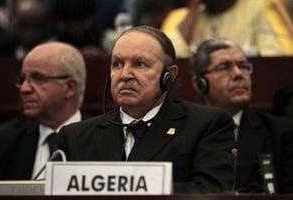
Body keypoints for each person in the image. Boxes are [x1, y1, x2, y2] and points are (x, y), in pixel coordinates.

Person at [57, 26, 235, 194]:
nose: (125, 75)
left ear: (169, 76)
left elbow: (211, 192)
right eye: (117, 64)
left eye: (140, 64)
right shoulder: (76, 137)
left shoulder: (205, 125)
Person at [189, 37, 293, 193]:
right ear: (200, 84)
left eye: (243, 66)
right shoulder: (184, 133)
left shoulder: (282, 132)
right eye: (225, 67)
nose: (238, 74)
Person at [0, 41, 90, 180]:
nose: (24, 89)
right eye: (22, 80)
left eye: (38, 78)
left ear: (70, 87)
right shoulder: (1, 143)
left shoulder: (106, 141)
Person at [161, 0, 293, 58]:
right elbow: (167, 60)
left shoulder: (256, 7)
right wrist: (193, 9)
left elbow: (275, 58)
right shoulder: (181, 17)